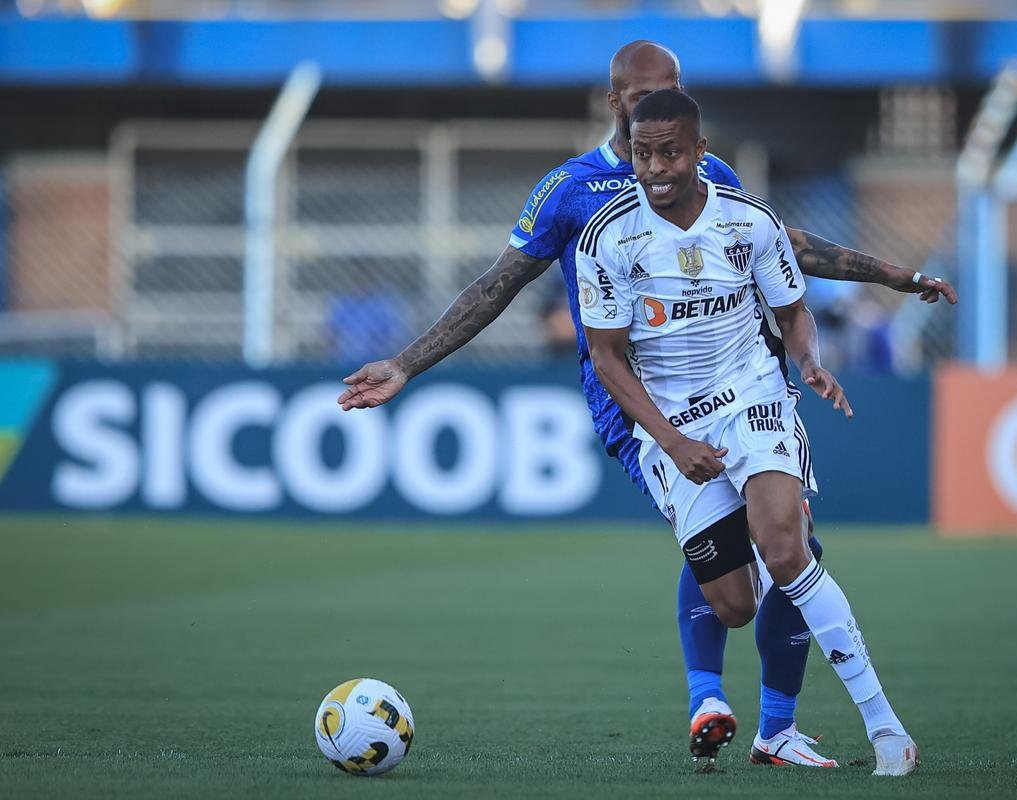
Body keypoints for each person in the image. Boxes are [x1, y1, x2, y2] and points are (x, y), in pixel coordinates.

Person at [338, 40, 954, 769]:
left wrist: (890, 277)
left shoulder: (709, 174)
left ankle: (775, 724)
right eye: (640, 99)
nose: (656, 123)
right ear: (615, 103)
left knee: (789, 546)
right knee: (734, 589)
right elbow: (497, 286)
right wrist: (406, 363)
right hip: (639, 406)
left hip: (747, 387)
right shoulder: (572, 192)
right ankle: (716, 693)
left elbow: (778, 244)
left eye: (672, 92)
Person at [578, 87, 918, 777]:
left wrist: (808, 361)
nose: (655, 168)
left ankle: (886, 729)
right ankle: (760, 714)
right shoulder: (607, 236)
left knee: (784, 548)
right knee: (733, 605)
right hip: (673, 423)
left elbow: (792, 312)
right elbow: (607, 358)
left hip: (753, 397)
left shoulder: (749, 221)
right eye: (642, 155)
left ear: (700, 151)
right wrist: (671, 441)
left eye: (671, 153)